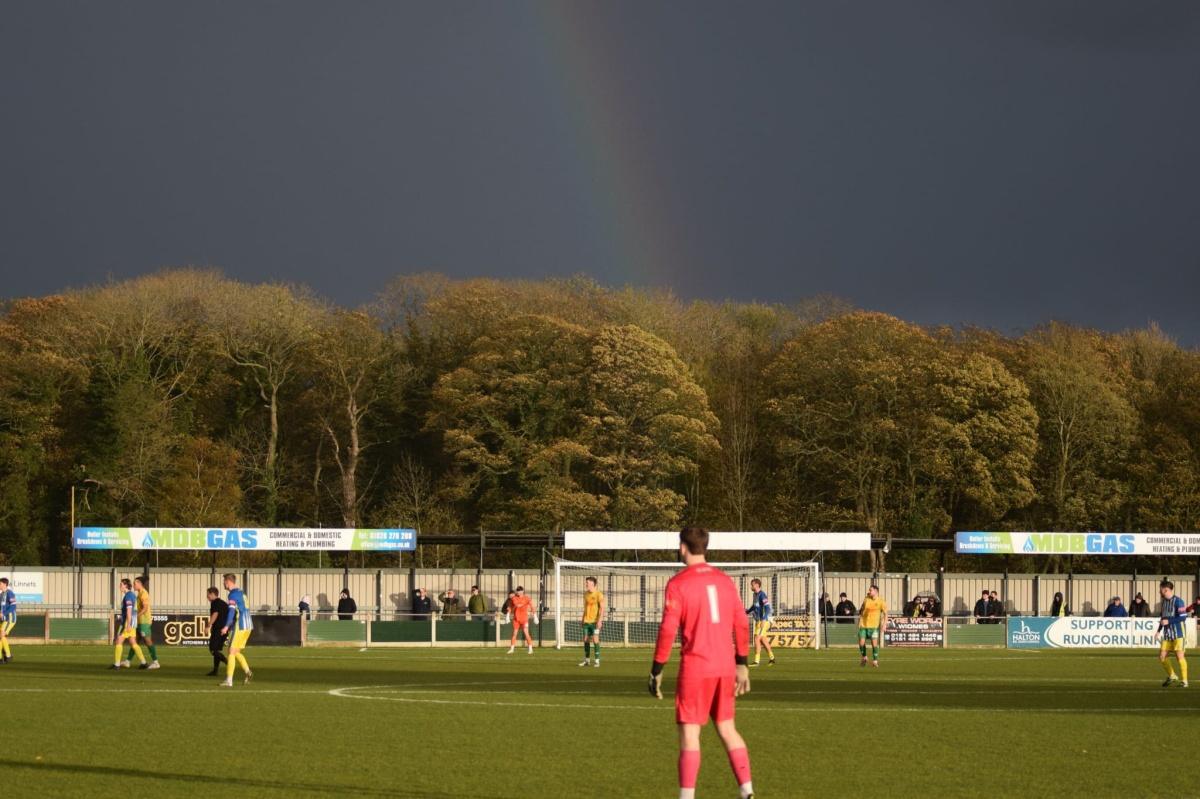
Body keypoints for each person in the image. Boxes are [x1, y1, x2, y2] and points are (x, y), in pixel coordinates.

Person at [648, 527, 754, 799]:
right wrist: (742, 663)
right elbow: (741, 623)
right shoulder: (724, 581)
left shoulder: (679, 583)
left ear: (683, 546)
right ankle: (747, 791)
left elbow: (668, 629)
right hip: (725, 667)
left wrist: (657, 668)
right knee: (728, 729)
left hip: (696, 668)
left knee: (690, 735)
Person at [220, 573, 254, 687]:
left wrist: (226, 626)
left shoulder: (232, 595)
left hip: (240, 625)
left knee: (230, 651)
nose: (223, 583)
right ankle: (248, 672)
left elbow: (231, 611)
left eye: (224, 581)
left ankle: (229, 680)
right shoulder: (241, 592)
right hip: (248, 625)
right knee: (236, 651)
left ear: (228, 581)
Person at [1155, 580, 1191, 688]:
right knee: (1162, 656)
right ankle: (1172, 676)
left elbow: (1183, 617)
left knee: (1179, 656)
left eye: (1160, 589)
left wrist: (1169, 622)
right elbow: (1163, 618)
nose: (1159, 591)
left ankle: (1185, 681)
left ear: (1166, 589)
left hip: (1178, 634)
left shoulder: (1178, 601)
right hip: (1167, 634)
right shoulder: (1164, 602)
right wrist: (1158, 630)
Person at [111, 578, 146, 670]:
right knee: (133, 642)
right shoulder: (131, 595)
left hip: (128, 621)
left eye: (121, 585)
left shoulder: (128, 596)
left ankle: (117, 665)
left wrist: (128, 624)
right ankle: (143, 662)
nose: (120, 587)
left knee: (119, 641)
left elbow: (129, 611)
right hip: (132, 621)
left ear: (126, 586)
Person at [128, 575, 160, 669]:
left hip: (144, 621)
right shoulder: (140, 593)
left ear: (139, 584)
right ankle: (128, 661)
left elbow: (145, 608)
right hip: (139, 621)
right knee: (135, 640)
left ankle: (156, 662)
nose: (133, 585)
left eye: (134, 583)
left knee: (147, 641)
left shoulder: (144, 594)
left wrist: (136, 616)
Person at [745, 578, 775, 667]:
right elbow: (754, 606)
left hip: (765, 620)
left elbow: (767, 608)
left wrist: (764, 619)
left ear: (757, 585)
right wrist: (746, 611)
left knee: (757, 638)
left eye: (752, 584)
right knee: (763, 640)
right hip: (759, 620)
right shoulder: (755, 595)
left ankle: (756, 661)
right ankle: (772, 658)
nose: (751, 586)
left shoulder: (762, 595)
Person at [857, 585, 887, 668]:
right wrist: (859, 621)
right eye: (869, 590)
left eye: (871, 590)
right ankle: (864, 657)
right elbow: (862, 610)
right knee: (861, 643)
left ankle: (875, 660)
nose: (869, 591)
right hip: (864, 625)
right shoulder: (866, 599)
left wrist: (884, 624)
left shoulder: (881, 601)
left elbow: (885, 614)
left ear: (876, 591)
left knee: (874, 644)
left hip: (874, 627)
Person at [579, 576, 604, 668]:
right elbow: (585, 608)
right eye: (586, 583)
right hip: (586, 621)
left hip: (595, 621)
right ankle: (587, 660)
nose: (586, 584)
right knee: (586, 639)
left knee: (595, 639)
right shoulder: (585, 594)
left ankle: (597, 661)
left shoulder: (599, 594)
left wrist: (600, 620)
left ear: (593, 584)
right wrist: (582, 619)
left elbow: (602, 608)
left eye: (588, 583)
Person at [206, 587, 229, 676]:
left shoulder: (215, 603)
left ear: (212, 594)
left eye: (208, 594)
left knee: (213, 650)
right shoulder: (223, 603)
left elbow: (215, 614)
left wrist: (208, 625)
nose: (207, 596)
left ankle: (228, 663)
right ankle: (215, 671)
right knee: (215, 650)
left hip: (219, 629)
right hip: (224, 629)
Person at [506, 586, 536, 654]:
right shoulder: (514, 598)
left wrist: (535, 615)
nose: (519, 592)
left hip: (524, 619)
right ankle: (512, 649)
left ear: (523, 591)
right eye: (518, 591)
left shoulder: (527, 598)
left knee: (526, 633)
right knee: (514, 634)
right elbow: (511, 606)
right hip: (516, 619)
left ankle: (530, 649)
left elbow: (532, 606)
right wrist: (508, 615)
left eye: (520, 590)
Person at [0, 577, 16, 663]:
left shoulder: (10, 593)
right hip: (4, 619)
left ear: (5, 584)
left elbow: (13, 606)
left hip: (10, 618)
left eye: (0, 584)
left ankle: (8, 655)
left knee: (2, 634)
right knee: (1, 636)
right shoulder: (1, 594)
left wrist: (4, 613)